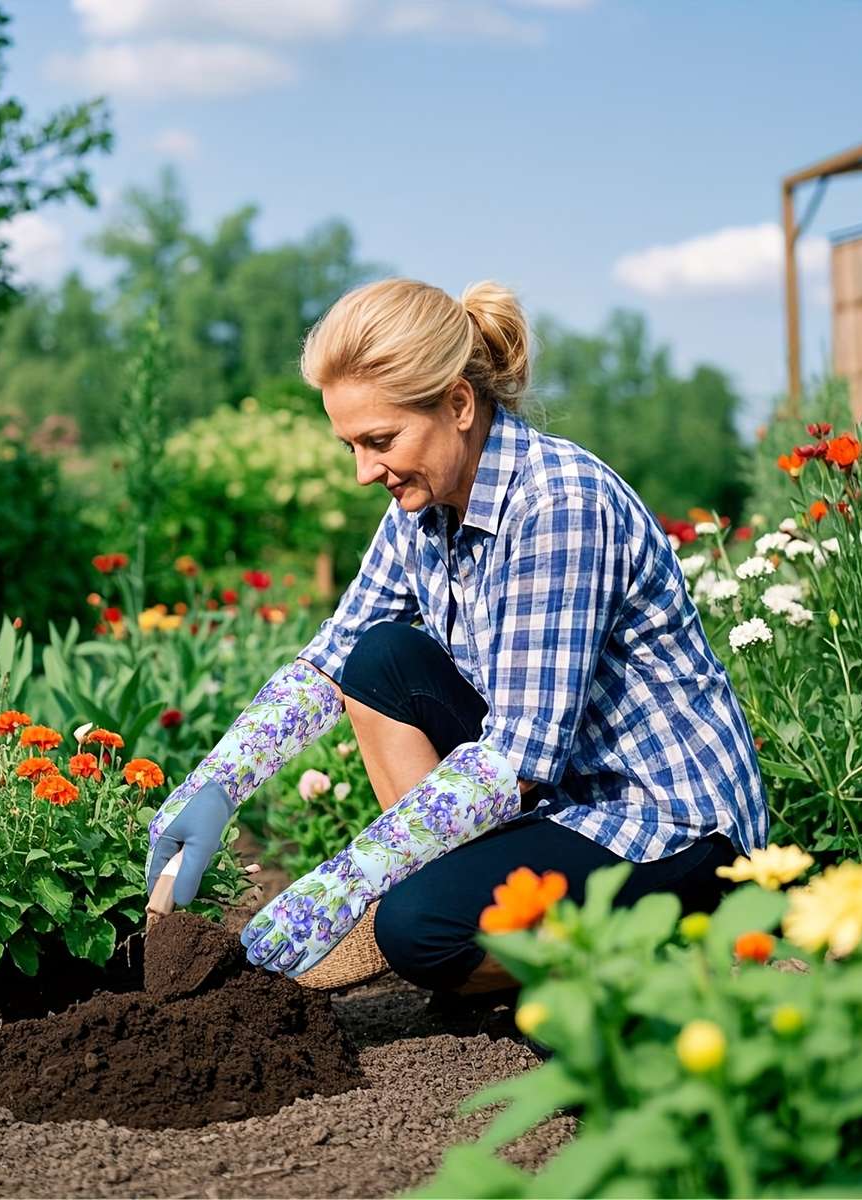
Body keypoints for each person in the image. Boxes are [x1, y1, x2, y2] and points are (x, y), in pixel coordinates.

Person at [145, 278, 767, 997]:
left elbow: (520, 757)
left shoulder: (559, 506)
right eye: (351, 445)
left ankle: (632, 974)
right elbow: (335, 657)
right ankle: (475, 903)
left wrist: (344, 883)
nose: (363, 472)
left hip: (666, 825)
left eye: (379, 441)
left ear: (459, 405)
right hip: (563, 799)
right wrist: (217, 784)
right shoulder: (422, 508)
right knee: (379, 659)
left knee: (419, 929)